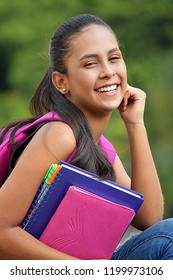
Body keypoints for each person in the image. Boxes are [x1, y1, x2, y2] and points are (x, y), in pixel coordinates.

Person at [0, 13, 173, 260]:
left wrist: (135, 124)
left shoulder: (100, 147)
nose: (108, 72)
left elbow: (150, 219)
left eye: (114, 58)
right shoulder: (60, 135)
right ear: (61, 82)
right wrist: (89, 272)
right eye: (91, 64)